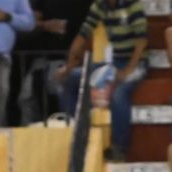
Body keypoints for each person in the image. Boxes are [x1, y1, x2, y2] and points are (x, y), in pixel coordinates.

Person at [58, 0, 147, 161]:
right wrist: (69, 65)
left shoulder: (132, 4)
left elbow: (142, 41)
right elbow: (83, 34)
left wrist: (128, 70)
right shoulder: (99, 6)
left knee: (119, 94)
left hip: (137, 61)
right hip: (114, 61)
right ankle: (77, 132)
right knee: (70, 79)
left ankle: (120, 148)